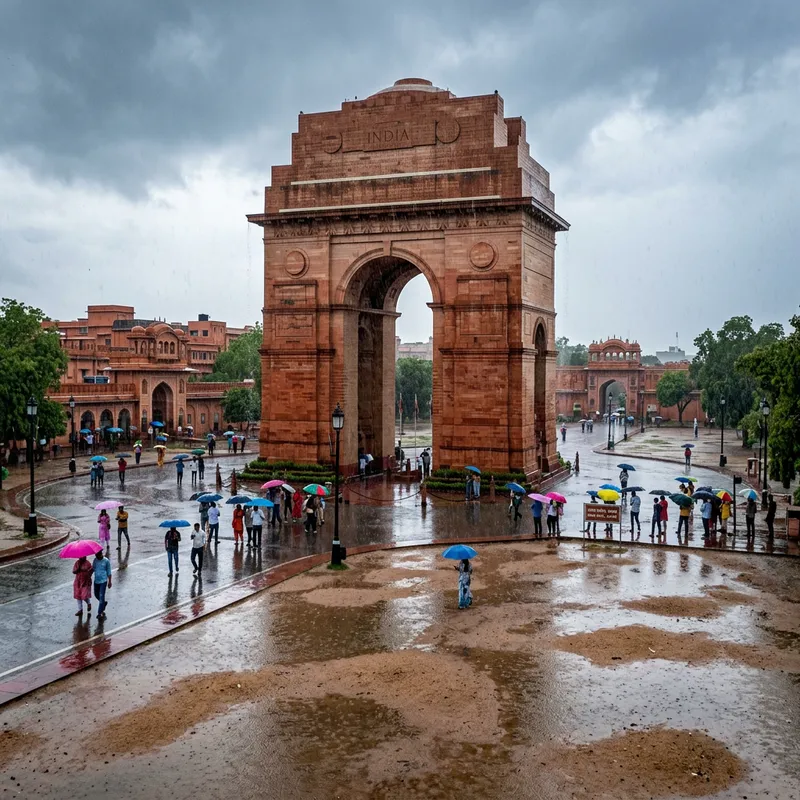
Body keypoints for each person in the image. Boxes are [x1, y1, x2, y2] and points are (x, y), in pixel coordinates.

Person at [92, 550, 112, 619]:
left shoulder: (106, 561)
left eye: (97, 554)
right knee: (96, 594)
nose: (96, 556)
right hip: (96, 581)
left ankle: (99, 612)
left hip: (103, 581)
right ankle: (103, 603)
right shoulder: (95, 560)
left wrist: (109, 581)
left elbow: (109, 572)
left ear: (100, 554)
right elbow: (93, 569)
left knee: (101, 596)